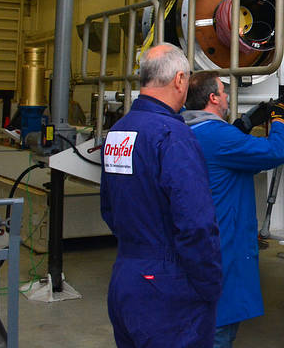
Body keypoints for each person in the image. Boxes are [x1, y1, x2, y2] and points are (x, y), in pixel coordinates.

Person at [100, 44, 222, 348]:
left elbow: (109, 209)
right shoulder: (173, 136)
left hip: (126, 277)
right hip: (167, 289)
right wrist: (209, 285)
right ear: (180, 80)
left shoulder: (119, 131)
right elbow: (195, 224)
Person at [183, 73, 284, 348]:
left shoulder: (185, 129)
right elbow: (274, 153)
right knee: (217, 329)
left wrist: (243, 126)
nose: (228, 97)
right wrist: (279, 120)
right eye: (224, 91)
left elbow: (228, 158)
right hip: (223, 247)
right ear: (213, 98)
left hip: (196, 244)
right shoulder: (219, 136)